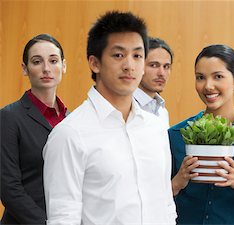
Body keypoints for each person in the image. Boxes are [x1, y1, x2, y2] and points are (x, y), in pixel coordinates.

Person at [43, 11, 176, 225]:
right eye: (118, 55)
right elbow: (63, 218)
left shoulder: (155, 127)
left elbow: (167, 206)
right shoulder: (70, 134)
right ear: (95, 63)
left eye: (137, 55)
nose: (129, 66)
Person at [168, 44, 234, 225]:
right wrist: (176, 184)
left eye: (218, 77)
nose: (208, 86)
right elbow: (149, 206)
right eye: (200, 77)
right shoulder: (176, 136)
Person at [1, 33, 67, 225]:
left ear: (63, 66)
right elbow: (9, 189)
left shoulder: (72, 120)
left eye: (53, 61)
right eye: (37, 61)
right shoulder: (8, 117)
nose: (46, 68)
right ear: (25, 68)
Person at [134, 37, 173, 128]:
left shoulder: (162, 111)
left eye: (166, 67)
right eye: (154, 65)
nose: (161, 73)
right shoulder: (126, 107)